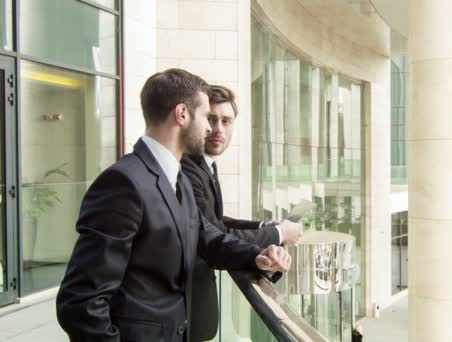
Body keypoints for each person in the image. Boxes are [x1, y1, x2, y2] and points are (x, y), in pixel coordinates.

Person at [56, 69, 291, 342]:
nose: (209, 128)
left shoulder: (176, 177)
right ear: (181, 114)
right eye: (205, 116)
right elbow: (81, 301)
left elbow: (207, 237)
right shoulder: (123, 183)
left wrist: (257, 256)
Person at [181, 84, 303, 341]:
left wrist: (262, 226)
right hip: (183, 307)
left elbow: (214, 220)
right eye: (211, 119)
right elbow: (214, 232)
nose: (218, 129)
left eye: (226, 121)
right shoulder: (187, 167)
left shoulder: (205, 166)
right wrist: (278, 233)